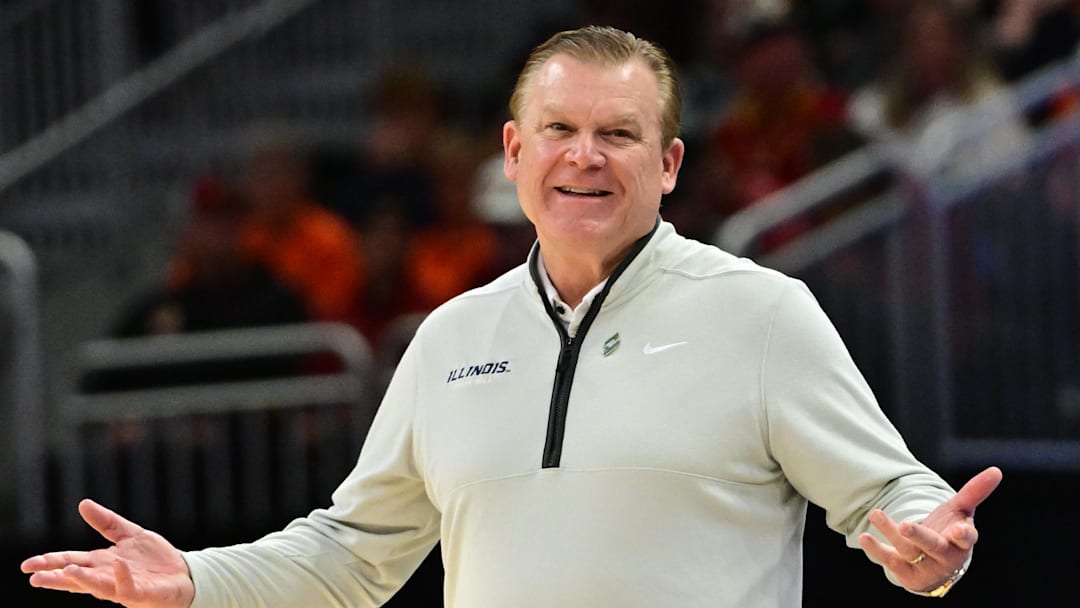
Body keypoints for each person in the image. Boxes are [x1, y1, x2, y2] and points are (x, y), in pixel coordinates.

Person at [22, 25, 1002, 607]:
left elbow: (894, 494)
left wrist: (930, 546)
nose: (585, 156)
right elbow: (353, 556)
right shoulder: (449, 338)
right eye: (560, 130)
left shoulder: (761, 313)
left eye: (619, 133)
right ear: (514, 153)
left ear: (669, 164)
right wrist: (197, 578)